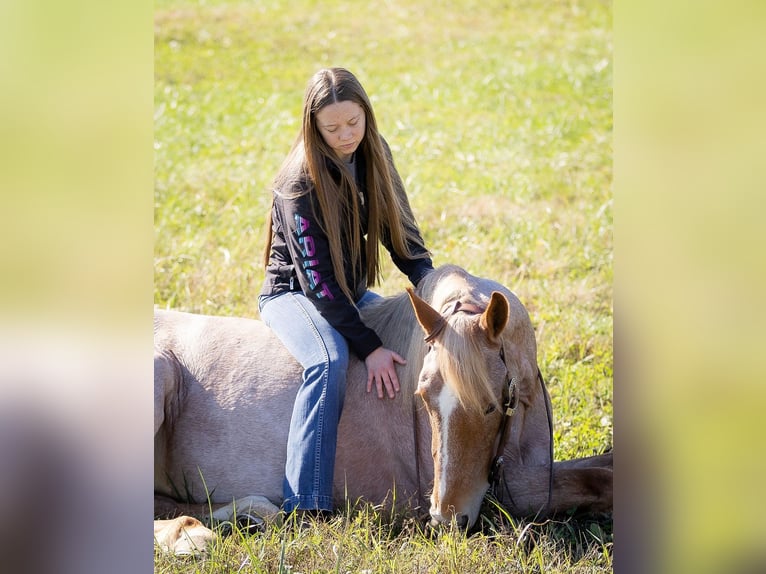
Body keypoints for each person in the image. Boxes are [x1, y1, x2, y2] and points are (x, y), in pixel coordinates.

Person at [258, 67, 434, 516]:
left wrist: (432, 289)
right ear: (313, 125)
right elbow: (318, 284)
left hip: (350, 295)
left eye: (353, 122)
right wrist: (369, 345)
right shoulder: (298, 181)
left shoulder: (376, 154)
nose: (345, 136)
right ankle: (306, 502)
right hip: (295, 295)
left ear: (366, 115)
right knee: (329, 359)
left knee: (414, 334)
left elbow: (403, 238)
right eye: (332, 128)